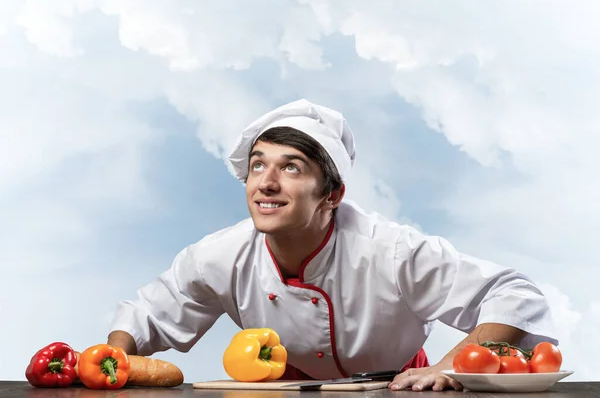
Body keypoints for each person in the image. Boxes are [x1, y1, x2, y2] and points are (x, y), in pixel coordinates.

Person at [107, 99, 558, 392]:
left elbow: (513, 294)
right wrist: (108, 362)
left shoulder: (392, 250)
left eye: (291, 168)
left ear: (333, 194)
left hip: (396, 390)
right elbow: (148, 314)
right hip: (281, 390)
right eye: (258, 164)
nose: (265, 182)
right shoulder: (219, 255)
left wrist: (447, 366)